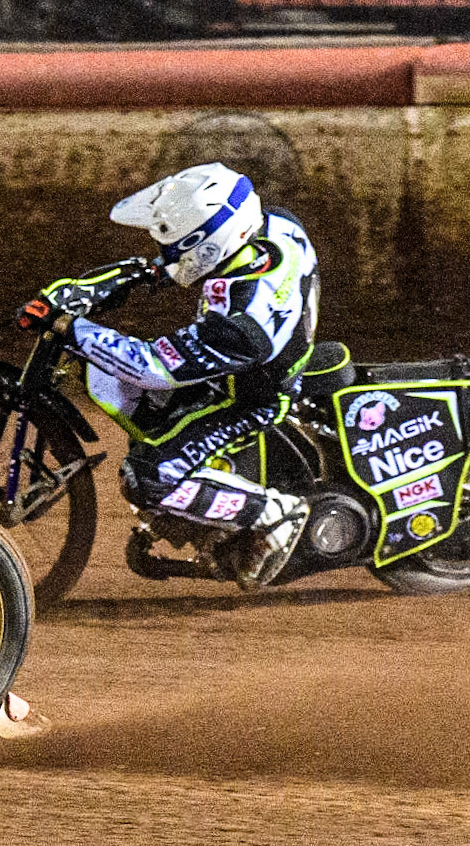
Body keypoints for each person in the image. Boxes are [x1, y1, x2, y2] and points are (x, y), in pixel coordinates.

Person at [19, 163, 320, 588]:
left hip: (247, 399)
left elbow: (152, 367)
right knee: (128, 397)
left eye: (174, 243)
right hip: (245, 367)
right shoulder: (275, 225)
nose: (165, 249)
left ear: (207, 243)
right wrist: (144, 273)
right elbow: (192, 265)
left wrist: (70, 328)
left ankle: (275, 514)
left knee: (147, 478)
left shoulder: (242, 324)